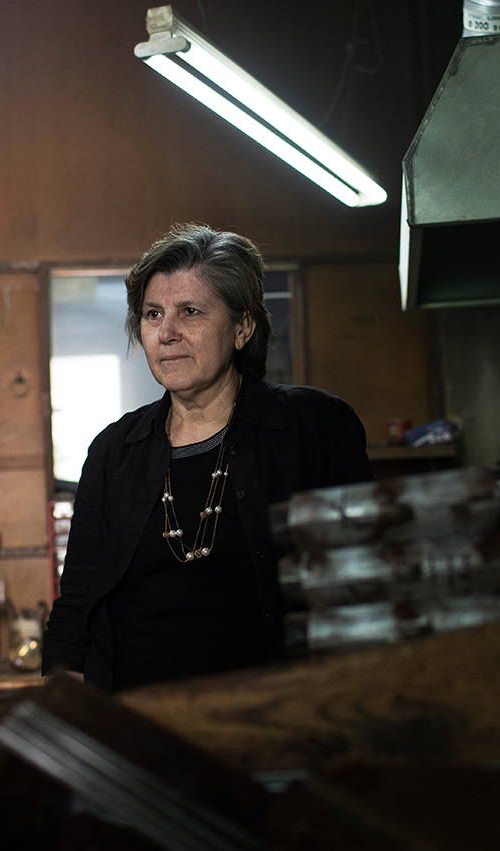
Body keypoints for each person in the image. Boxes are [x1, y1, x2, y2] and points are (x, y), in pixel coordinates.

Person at [42, 224, 373, 691]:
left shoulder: (315, 426)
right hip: (140, 724)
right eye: (153, 314)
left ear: (242, 327)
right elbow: (76, 599)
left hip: (277, 713)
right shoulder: (113, 451)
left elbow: (363, 582)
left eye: (190, 312)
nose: (166, 332)